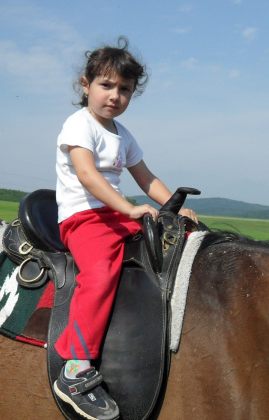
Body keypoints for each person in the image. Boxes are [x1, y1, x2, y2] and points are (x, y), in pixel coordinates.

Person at [53, 37, 197, 420]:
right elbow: (86, 175)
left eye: (124, 90)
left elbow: (147, 179)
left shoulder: (123, 135)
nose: (114, 96)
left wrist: (176, 211)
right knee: (99, 275)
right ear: (85, 85)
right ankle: (74, 368)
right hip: (84, 218)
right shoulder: (78, 125)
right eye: (106, 85)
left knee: (173, 249)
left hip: (114, 215)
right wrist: (129, 208)